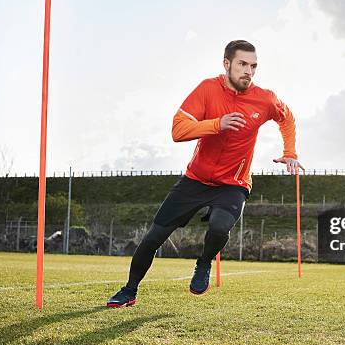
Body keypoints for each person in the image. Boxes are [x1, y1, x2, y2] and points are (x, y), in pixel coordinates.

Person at [107, 39, 303, 307]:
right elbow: (178, 129)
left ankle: (203, 263)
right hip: (195, 180)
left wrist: (290, 152)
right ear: (226, 64)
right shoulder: (207, 89)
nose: (248, 71)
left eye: (253, 66)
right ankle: (129, 290)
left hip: (233, 183)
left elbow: (287, 118)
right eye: (242, 64)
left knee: (221, 224)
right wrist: (216, 124)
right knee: (153, 237)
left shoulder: (265, 98)